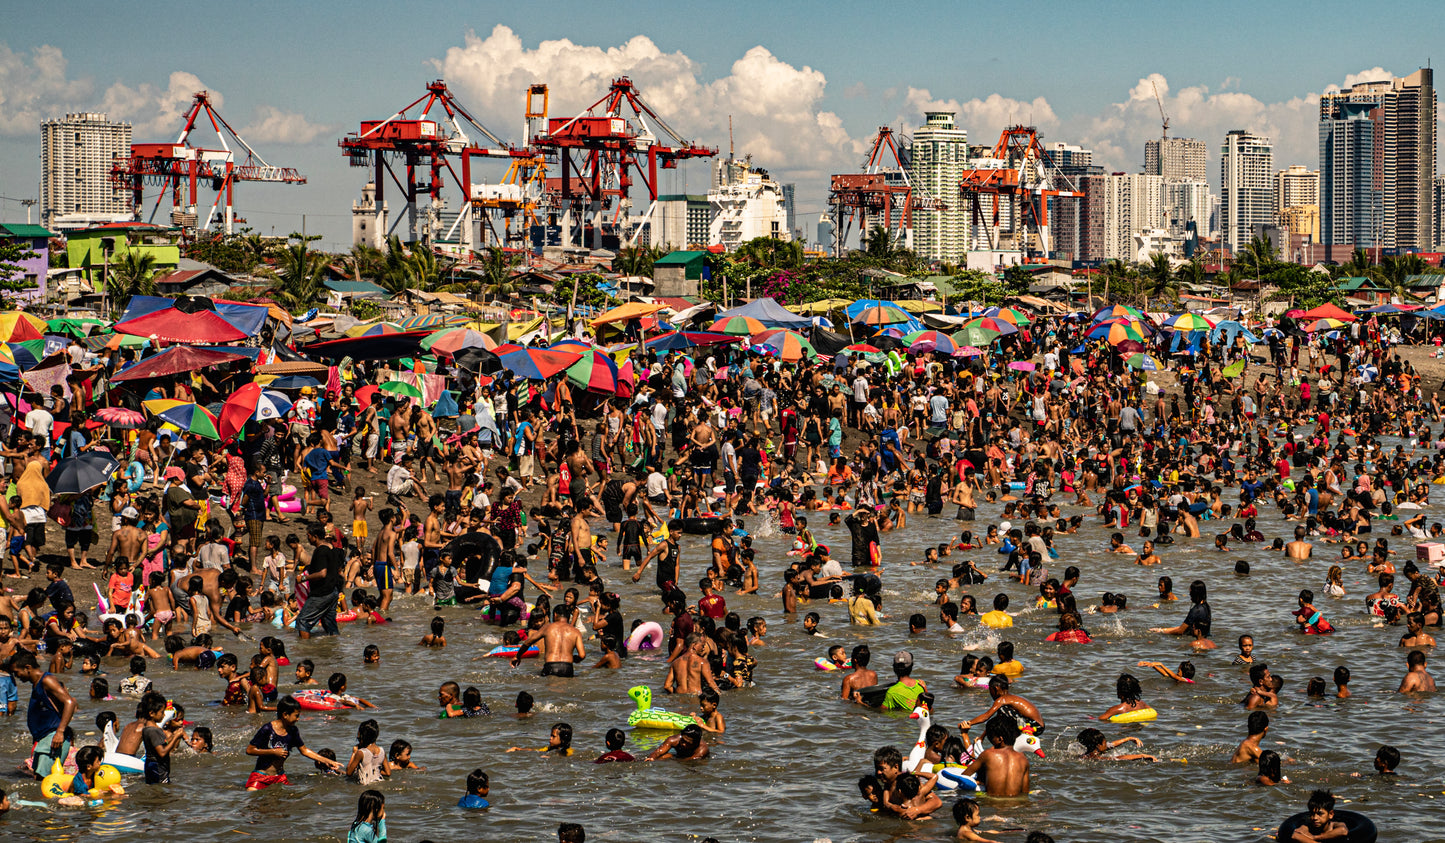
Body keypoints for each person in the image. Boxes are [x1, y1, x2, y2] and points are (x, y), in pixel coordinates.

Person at [245, 695, 342, 789]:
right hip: (261, 776)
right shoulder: (267, 729)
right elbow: (250, 750)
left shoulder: (293, 731)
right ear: (285, 715)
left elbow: (304, 750)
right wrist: (273, 751)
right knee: (252, 800)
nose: (298, 719)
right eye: (296, 716)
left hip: (279, 777)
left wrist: (328, 761)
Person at [11, 650, 76, 779]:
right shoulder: (37, 684)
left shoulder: (47, 680)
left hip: (53, 738)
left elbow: (70, 702)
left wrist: (60, 732)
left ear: (27, 668)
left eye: (17, 672)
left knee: (45, 781)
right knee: (38, 778)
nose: (16, 676)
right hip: (45, 738)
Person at [960, 717, 1030, 797]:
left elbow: (964, 777)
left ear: (1000, 739)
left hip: (993, 804)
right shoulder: (1023, 759)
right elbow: (1025, 792)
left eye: (990, 737)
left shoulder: (988, 754)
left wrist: (978, 781)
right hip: (1016, 805)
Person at [511, 604, 585, 677]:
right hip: (567, 667)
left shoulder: (547, 627)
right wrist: (575, 659)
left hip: (551, 666)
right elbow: (582, 655)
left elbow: (528, 642)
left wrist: (517, 656)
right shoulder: (576, 631)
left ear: (555, 615)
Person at [1076, 727, 1158, 762]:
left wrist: (1128, 738)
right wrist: (1142, 756)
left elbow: (1112, 744)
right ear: (1098, 745)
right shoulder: (1095, 757)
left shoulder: (1090, 751)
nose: (1107, 744)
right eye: (1105, 742)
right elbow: (1118, 758)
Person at [645, 723, 710, 761]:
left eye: (688, 743)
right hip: (679, 756)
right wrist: (651, 758)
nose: (684, 744)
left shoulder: (702, 749)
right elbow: (657, 752)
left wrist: (671, 762)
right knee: (665, 756)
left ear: (696, 743)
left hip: (696, 761)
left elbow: (689, 761)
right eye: (683, 740)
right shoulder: (673, 740)